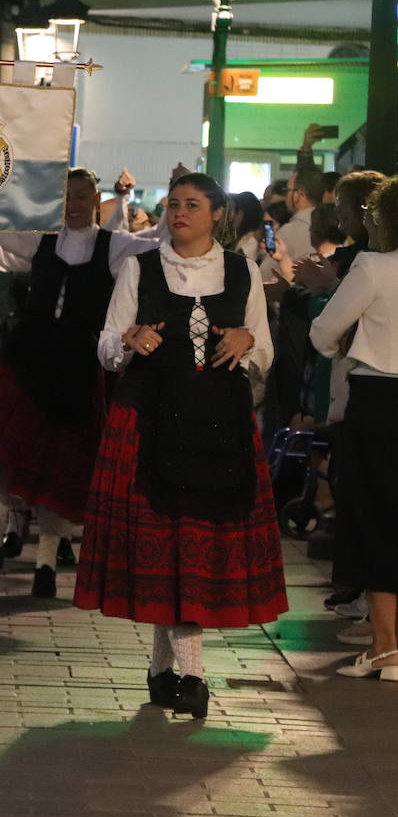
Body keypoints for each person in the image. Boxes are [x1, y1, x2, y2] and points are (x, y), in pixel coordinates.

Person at [74, 172, 285, 720]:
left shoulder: (242, 271)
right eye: (174, 204)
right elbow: (105, 343)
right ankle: (190, 673)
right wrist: (129, 342)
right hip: (149, 420)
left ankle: (166, 665)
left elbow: (263, 347)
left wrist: (248, 340)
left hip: (218, 426)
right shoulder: (139, 267)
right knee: (168, 547)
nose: (179, 213)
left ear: (217, 213)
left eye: (192, 204)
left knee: (193, 547)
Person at [0, 168, 159, 595]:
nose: (74, 203)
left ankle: (46, 564)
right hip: (27, 358)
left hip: (77, 368)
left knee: (60, 464)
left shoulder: (115, 245)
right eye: (68, 196)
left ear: (96, 197)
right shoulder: (40, 238)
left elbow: (159, 247)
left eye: (82, 195)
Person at [310, 175, 398, 681]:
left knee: (373, 517)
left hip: (380, 403)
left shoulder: (372, 265)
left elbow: (325, 331)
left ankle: (384, 647)